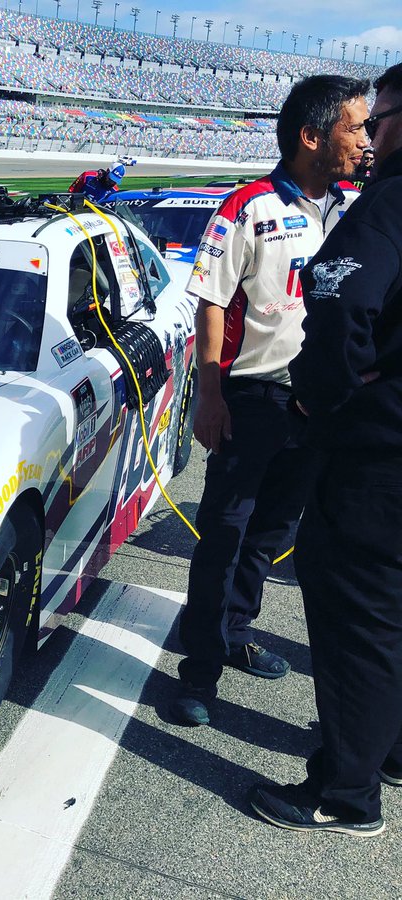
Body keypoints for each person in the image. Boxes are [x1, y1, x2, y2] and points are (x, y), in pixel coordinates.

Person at [170, 75, 371, 727]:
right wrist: (209, 396)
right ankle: (199, 670)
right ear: (311, 136)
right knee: (224, 535)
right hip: (252, 399)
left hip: (319, 407)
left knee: (271, 534)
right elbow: (210, 301)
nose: (366, 140)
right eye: (355, 127)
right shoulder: (248, 205)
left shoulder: (355, 209)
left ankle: (234, 633)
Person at [249, 63, 402, 835]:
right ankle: (391, 750)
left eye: (378, 120)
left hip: (379, 456)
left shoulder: (388, 203)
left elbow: (341, 307)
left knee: (357, 618)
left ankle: (345, 793)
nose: (370, 137)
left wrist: (319, 397)